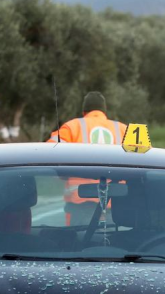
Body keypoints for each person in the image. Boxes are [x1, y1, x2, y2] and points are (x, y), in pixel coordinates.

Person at [49, 92, 128, 225]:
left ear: (84, 111)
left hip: (80, 205)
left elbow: (49, 154)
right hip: (117, 206)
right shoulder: (124, 130)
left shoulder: (71, 127)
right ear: (104, 111)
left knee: (79, 244)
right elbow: (145, 159)